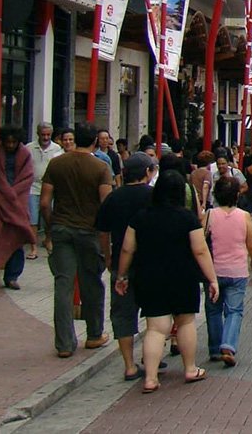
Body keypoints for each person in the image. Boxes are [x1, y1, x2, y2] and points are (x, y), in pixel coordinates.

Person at [115, 170, 219, 392]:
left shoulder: (140, 217)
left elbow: (127, 249)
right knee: (186, 322)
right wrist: (212, 279)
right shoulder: (187, 218)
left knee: (156, 328)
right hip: (183, 275)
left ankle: (150, 378)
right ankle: (190, 368)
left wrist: (122, 275)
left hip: (150, 276)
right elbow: (200, 251)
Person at [40, 122, 113, 358]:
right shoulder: (101, 167)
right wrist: (106, 237)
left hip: (62, 227)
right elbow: (106, 205)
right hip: (89, 231)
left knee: (63, 283)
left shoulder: (56, 164)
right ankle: (94, 334)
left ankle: (64, 343)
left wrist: (51, 227)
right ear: (94, 141)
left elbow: (44, 202)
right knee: (91, 281)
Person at [95, 151, 157, 380]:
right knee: (155, 311)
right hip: (151, 263)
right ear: (147, 173)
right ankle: (152, 356)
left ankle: (129, 364)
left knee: (122, 313)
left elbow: (103, 230)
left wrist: (108, 255)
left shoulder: (114, 197)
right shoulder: (154, 196)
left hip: (122, 263)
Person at [204, 176, 252, 366]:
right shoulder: (244, 216)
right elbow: (251, 244)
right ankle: (228, 344)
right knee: (234, 311)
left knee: (213, 310)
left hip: (213, 269)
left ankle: (214, 348)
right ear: (237, 195)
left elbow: (202, 243)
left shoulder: (209, 215)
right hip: (237, 270)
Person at [0, 127, 36, 290]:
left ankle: (12, 276)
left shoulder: (24, 154)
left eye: (13, 142)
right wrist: (6, 192)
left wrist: (12, 193)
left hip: (17, 201)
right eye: (7, 142)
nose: (10, 145)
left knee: (16, 238)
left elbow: (27, 177)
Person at [28, 122, 62, 260]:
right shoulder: (29, 148)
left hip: (51, 187)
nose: (46, 137)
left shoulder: (57, 149)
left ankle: (48, 239)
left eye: (48, 135)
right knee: (32, 219)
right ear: (38, 134)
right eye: (43, 135)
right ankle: (33, 247)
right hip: (32, 187)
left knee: (49, 216)